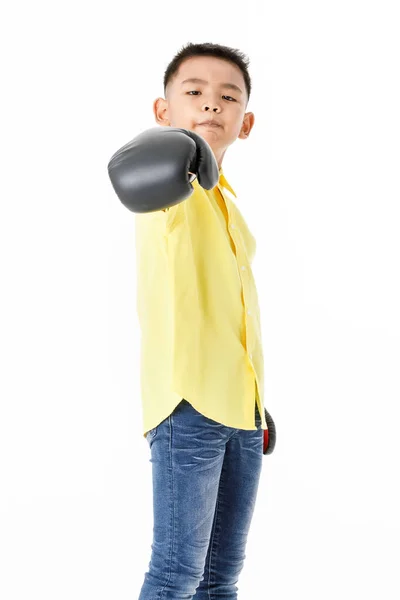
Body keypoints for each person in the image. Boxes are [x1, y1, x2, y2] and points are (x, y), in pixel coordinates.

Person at [108, 41, 276, 599]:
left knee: (220, 578)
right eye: (194, 93)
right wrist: (179, 151)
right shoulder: (169, 183)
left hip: (241, 414)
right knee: (176, 573)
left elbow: (230, 312)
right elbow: (130, 174)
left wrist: (256, 401)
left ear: (244, 123)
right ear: (164, 112)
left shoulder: (226, 198)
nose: (211, 106)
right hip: (188, 406)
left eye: (227, 97)